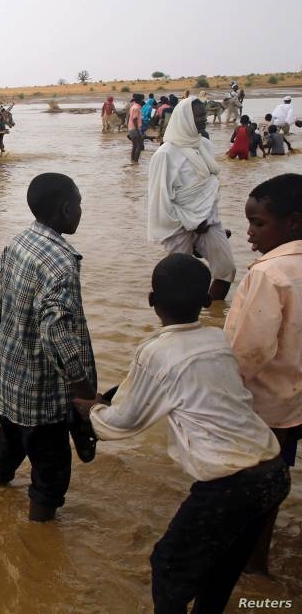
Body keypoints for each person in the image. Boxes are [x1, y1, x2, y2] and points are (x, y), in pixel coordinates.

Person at [73, 254, 288, 613]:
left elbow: (122, 422)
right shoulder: (218, 341)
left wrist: (92, 410)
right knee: (222, 568)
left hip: (229, 484)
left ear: (151, 301)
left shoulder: (156, 352)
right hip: (273, 471)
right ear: (207, 302)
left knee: (168, 568)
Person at [0, 173, 97, 522]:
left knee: (5, 447)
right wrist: (81, 391)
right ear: (65, 209)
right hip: (43, 395)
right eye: (78, 203)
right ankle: (40, 536)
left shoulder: (20, 242)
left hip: (9, 380)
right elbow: (57, 333)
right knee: (50, 474)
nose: (81, 209)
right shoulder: (61, 264)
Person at [223, 173, 302, 575]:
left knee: (258, 486)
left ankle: (253, 568)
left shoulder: (268, 275)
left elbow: (249, 350)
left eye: (259, 223)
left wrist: (218, 389)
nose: (250, 233)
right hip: (297, 399)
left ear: (292, 222)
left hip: (270, 404)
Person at [147, 98, 236, 300]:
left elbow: (207, 186)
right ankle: (182, 324)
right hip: (179, 224)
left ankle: (211, 313)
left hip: (209, 220)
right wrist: (192, 222)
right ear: (185, 118)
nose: (204, 119)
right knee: (179, 279)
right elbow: (161, 199)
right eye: (199, 115)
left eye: (204, 114)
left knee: (226, 270)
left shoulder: (204, 144)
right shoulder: (165, 154)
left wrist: (203, 218)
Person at [127, 93, 145, 162]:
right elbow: (134, 119)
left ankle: (133, 161)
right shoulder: (136, 108)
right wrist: (138, 131)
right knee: (139, 146)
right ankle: (136, 162)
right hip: (135, 129)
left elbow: (130, 118)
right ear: (141, 100)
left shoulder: (133, 107)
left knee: (134, 146)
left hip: (131, 128)